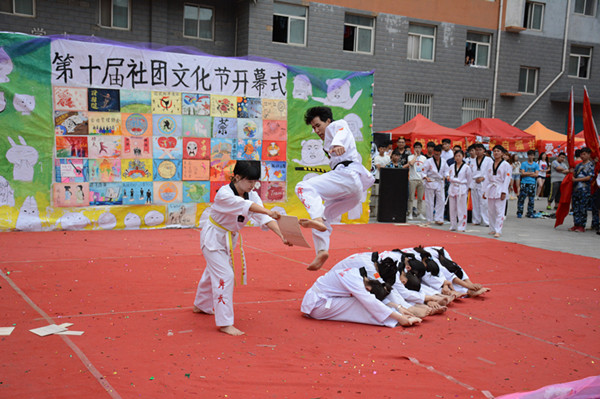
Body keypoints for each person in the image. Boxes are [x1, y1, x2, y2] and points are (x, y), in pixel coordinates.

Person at [193, 161, 290, 336]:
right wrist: (268, 212)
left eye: (255, 182)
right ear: (237, 177)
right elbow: (250, 208)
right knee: (224, 275)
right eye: (249, 181)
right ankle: (225, 323)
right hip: (213, 238)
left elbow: (263, 217)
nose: (253, 185)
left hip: (229, 238)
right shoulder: (224, 194)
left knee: (212, 271)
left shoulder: (251, 195)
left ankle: (201, 304)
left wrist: (282, 235)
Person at [295, 106, 375, 270]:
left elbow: (342, 129)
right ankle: (322, 251)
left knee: (303, 187)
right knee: (326, 216)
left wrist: (338, 144)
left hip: (347, 176)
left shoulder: (336, 126)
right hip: (354, 191)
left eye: (318, 125)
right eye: (313, 127)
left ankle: (316, 220)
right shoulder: (327, 143)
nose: (316, 130)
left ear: (328, 121)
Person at [301, 253, 422, 327]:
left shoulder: (361, 276)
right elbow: (370, 301)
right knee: (361, 304)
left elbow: (373, 298)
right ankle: (395, 321)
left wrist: (399, 307)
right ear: (368, 288)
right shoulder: (356, 280)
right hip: (317, 305)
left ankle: (395, 317)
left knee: (366, 301)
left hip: (324, 299)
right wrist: (399, 317)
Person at [483, 145, 512, 237]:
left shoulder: (506, 165)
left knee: (499, 211)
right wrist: (484, 191)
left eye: (498, 151)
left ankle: (498, 230)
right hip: (491, 188)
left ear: (502, 153)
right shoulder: (490, 164)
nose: (496, 153)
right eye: (494, 151)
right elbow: (487, 178)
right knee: (491, 210)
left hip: (500, 187)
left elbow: (507, 179)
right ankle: (492, 228)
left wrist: (504, 192)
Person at [569, 147, 598, 232]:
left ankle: (582, 225)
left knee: (582, 208)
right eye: (582, 154)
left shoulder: (590, 165)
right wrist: (571, 172)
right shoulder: (578, 165)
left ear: (589, 155)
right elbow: (574, 175)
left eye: (585, 154)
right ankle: (576, 224)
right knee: (575, 207)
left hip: (584, 190)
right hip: (576, 189)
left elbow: (589, 178)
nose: (582, 156)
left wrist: (576, 180)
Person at [422, 144, 449, 225]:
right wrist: (425, 177)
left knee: (441, 201)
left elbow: (446, 171)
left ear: (440, 153)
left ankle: (439, 218)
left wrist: (447, 176)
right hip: (431, 181)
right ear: (433, 152)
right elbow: (423, 172)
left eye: (438, 154)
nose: (436, 156)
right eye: (435, 154)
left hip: (440, 182)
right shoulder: (428, 161)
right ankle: (429, 219)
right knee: (429, 201)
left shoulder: (444, 161)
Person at [448, 150, 472, 232]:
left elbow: (469, 179)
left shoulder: (466, 167)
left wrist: (466, 188)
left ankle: (462, 226)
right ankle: (453, 225)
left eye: (459, 156)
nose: (457, 158)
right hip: (453, 187)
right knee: (452, 208)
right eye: (456, 156)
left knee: (461, 208)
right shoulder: (451, 166)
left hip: (462, 187)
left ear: (463, 156)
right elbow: (449, 176)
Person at [470, 143, 492, 226]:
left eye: (480, 150)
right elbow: (470, 172)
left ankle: (486, 221)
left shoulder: (489, 160)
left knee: (484, 203)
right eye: (477, 150)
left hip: (484, 183)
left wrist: (483, 178)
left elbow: (490, 171)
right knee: (475, 203)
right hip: (474, 183)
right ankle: (476, 220)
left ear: (484, 151)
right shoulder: (472, 160)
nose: (478, 152)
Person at [404, 142, 427, 220]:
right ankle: (410, 213)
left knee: (420, 198)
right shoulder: (410, 157)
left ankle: (419, 213)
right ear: (413, 149)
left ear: (421, 148)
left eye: (419, 147)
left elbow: (425, 169)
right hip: (412, 179)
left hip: (421, 180)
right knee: (411, 197)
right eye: (416, 147)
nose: (418, 149)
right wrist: (416, 156)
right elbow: (411, 163)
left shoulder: (424, 158)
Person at [517, 150, 539, 218]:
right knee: (521, 198)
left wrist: (527, 174)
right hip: (524, 183)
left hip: (532, 183)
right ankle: (519, 212)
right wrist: (532, 173)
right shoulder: (524, 164)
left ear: (534, 156)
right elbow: (522, 173)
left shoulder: (536, 164)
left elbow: (536, 174)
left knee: (531, 199)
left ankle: (530, 212)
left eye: (532, 155)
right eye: (529, 155)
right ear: (527, 155)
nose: (530, 156)